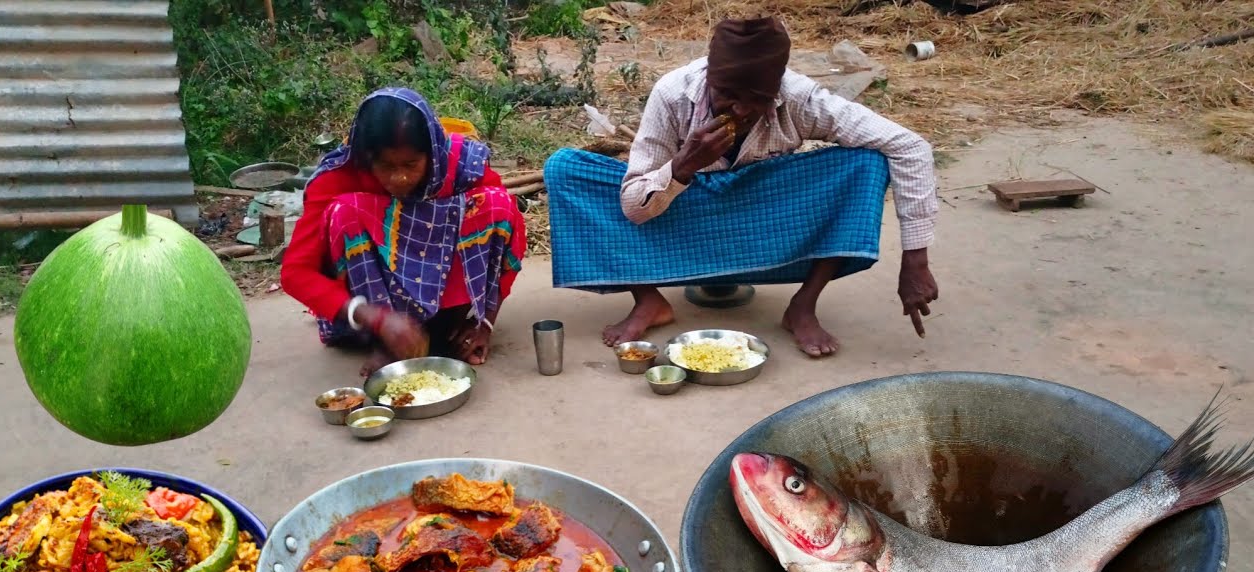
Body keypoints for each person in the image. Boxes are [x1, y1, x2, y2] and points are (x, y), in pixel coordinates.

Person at [544, 17, 940, 357]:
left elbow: (909, 145)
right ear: (709, 78)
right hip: (686, 206)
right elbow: (633, 205)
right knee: (566, 170)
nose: (741, 110)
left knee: (865, 163)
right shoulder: (674, 93)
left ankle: (803, 305)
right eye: (728, 95)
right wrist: (683, 166)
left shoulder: (799, 97)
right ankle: (648, 300)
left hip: (758, 209)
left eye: (758, 99)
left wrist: (915, 260)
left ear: (777, 89)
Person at [281, 88, 527, 376]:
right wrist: (375, 318)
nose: (399, 178)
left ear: (431, 152)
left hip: (451, 307)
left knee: (496, 203)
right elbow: (295, 273)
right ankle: (383, 341)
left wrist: (485, 322)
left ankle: (456, 324)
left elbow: (508, 237)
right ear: (366, 157)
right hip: (376, 312)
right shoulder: (338, 178)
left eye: (411, 164)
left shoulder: (459, 165)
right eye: (386, 166)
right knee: (345, 212)